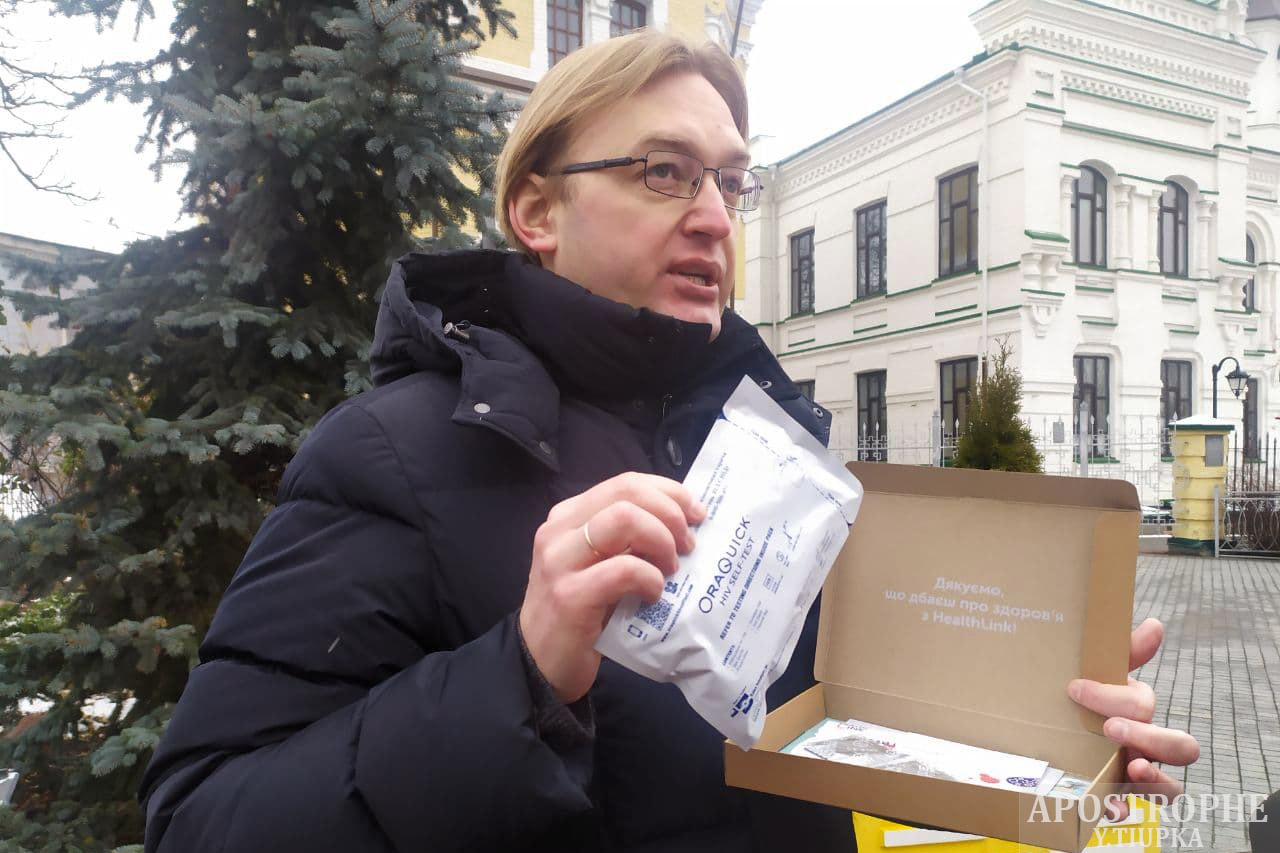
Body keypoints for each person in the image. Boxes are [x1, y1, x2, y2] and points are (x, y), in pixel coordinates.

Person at [138, 31, 1200, 852]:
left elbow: (826, 737)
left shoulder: (776, 451)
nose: (715, 219)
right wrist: (521, 675)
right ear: (537, 211)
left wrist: (1044, 731)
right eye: (662, 172)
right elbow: (201, 819)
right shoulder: (394, 452)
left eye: (729, 182)